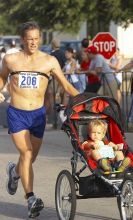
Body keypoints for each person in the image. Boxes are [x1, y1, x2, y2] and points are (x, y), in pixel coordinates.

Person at [0, 21, 79, 218]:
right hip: (17, 113)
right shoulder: (11, 59)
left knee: (31, 158)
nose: (33, 42)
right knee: (26, 153)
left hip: (38, 115)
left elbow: (65, 84)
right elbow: (2, 77)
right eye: (30, 39)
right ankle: (31, 198)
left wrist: (84, 101)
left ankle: (15, 173)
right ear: (22, 40)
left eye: (36, 38)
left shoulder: (49, 61)